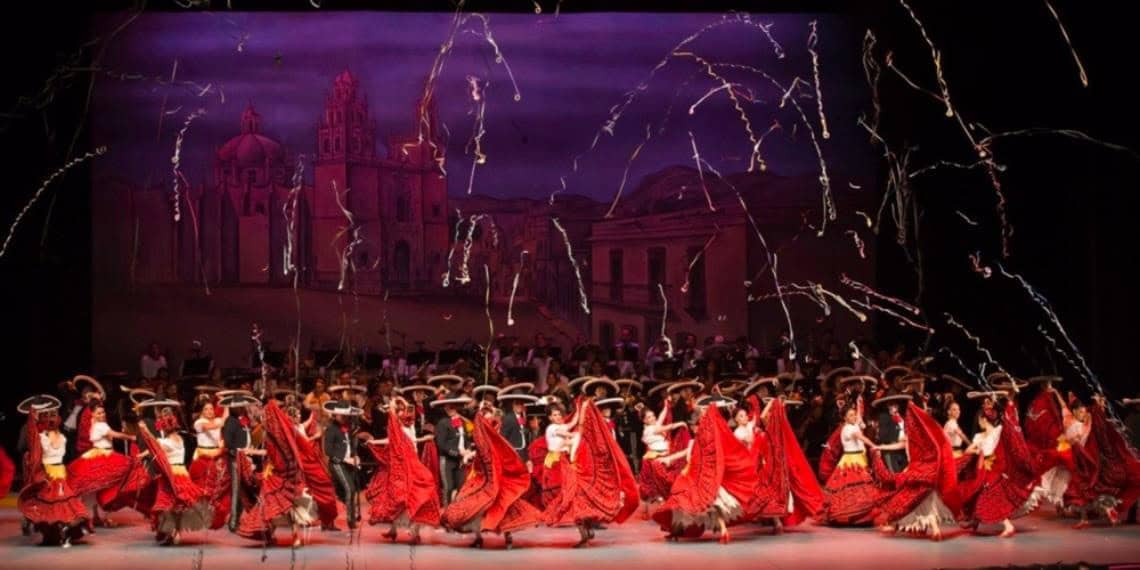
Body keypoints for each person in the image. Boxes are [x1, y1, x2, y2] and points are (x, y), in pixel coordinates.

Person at [652, 395, 757, 543]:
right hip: (698, 475)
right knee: (690, 503)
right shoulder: (698, 440)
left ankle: (717, 531)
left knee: (692, 502)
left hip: (704, 476)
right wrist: (669, 458)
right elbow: (687, 454)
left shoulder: (709, 437)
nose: (697, 426)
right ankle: (682, 531)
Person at [442, 401, 544, 549]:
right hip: (484, 476)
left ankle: (507, 536)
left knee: (504, 504)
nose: (486, 417)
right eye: (485, 415)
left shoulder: (495, 431)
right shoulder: (482, 434)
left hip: (496, 476)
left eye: (488, 415)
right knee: (476, 505)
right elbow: (479, 446)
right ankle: (479, 537)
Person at [543, 398, 639, 548]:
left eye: (559, 414)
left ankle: (585, 533)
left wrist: (581, 409)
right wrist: (580, 415)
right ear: (549, 418)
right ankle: (585, 532)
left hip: (568, 467)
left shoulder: (568, 433)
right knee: (572, 500)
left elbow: (575, 425)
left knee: (576, 500)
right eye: (554, 415)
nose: (558, 417)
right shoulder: (553, 429)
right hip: (557, 465)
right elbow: (573, 428)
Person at [958, 391, 1046, 538]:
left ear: (983, 419)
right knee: (977, 494)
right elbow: (968, 451)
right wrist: (975, 450)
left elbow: (1009, 421)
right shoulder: (979, 437)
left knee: (989, 496)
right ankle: (975, 521)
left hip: (996, 470)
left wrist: (1009, 401)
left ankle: (1008, 525)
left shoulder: (999, 430)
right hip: (984, 470)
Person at [870, 398, 960, 540]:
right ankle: (930, 528)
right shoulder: (916, 434)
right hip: (922, 469)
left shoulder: (916, 434)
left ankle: (906, 526)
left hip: (917, 469)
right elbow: (901, 445)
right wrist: (881, 447)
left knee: (910, 499)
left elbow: (904, 445)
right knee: (921, 500)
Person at [237, 400, 320, 547]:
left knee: (286, 505)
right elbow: (268, 452)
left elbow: (293, 452)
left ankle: (293, 535)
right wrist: (250, 451)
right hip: (275, 474)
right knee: (271, 503)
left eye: (267, 416)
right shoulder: (270, 433)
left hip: (287, 474)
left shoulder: (286, 432)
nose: (265, 418)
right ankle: (272, 534)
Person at [364, 396, 441, 544]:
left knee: (412, 495)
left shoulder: (407, 424)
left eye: (403, 411)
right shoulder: (397, 429)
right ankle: (393, 530)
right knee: (395, 495)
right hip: (401, 463)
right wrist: (374, 441)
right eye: (399, 411)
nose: (401, 413)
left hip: (411, 462)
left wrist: (397, 404)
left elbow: (405, 424)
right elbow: (391, 439)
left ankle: (414, 532)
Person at [136, 402, 211, 545]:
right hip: (182, 473)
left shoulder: (164, 442)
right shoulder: (180, 440)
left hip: (170, 476)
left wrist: (144, 429)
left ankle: (172, 532)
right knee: (177, 505)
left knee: (166, 504)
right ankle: (175, 532)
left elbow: (154, 444)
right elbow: (157, 447)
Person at [18, 396, 88, 547]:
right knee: (51, 507)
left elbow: (72, 424)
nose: (52, 418)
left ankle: (65, 531)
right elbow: (32, 438)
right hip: (48, 475)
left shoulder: (62, 437)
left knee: (67, 506)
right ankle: (53, 532)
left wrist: (77, 406)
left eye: (54, 415)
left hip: (61, 473)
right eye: (49, 415)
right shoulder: (41, 437)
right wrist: (32, 418)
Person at [818, 404, 879, 525]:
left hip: (856, 458)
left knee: (855, 490)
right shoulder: (849, 429)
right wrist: (874, 445)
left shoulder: (852, 426)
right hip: (852, 460)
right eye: (851, 415)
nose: (854, 416)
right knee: (856, 489)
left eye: (854, 414)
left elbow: (860, 425)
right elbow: (861, 437)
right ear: (845, 418)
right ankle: (855, 517)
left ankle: (858, 517)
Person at [322, 399, 363, 531]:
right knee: (349, 489)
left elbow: (350, 447)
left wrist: (354, 456)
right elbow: (328, 451)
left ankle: (333, 521)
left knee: (347, 491)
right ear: (336, 414)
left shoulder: (349, 428)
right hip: (337, 463)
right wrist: (346, 460)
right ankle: (350, 521)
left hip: (348, 463)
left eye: (346, 415)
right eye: (342, 415)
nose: (344, 417)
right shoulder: (331, 429)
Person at [637, 400, 687, 504]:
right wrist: (680, 423)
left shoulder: (654, 426)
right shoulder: (650, 429)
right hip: (658, 459)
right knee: (669, 480)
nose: (653, 418)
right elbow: (668, 427)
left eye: (653, 415)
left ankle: (666, 497)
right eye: (649, 417)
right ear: (644, 420)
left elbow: (661, 417)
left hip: (664, 456)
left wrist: (666, 406)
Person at [434, 396, 471, 506]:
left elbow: (467, 439)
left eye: (452, 406)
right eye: (447, 407)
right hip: (447, 460)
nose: (449, 408)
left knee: (462, 486)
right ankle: (445, 512)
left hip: (461, 460)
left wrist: (467, 450)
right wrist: (458, 453)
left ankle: (457, 513)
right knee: (448, 487)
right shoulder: (442, 423)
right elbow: (441, 444)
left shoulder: (463, 422)